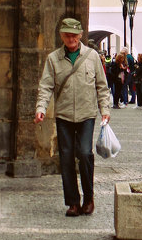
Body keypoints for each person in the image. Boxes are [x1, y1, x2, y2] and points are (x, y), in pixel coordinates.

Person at [34, 18, 110, 217]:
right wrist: (40, 108)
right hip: (64, 115)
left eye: (74, 35)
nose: (71, 39)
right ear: (62, 36)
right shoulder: (53, 59)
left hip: (86, 115)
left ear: (81, 36)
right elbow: (46, 86)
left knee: (85, 153)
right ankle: (73, 202)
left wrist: (105, 110)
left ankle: (89, 198)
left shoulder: (92, 57)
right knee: (66, 158)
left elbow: (102, 87)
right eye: (67, 35)